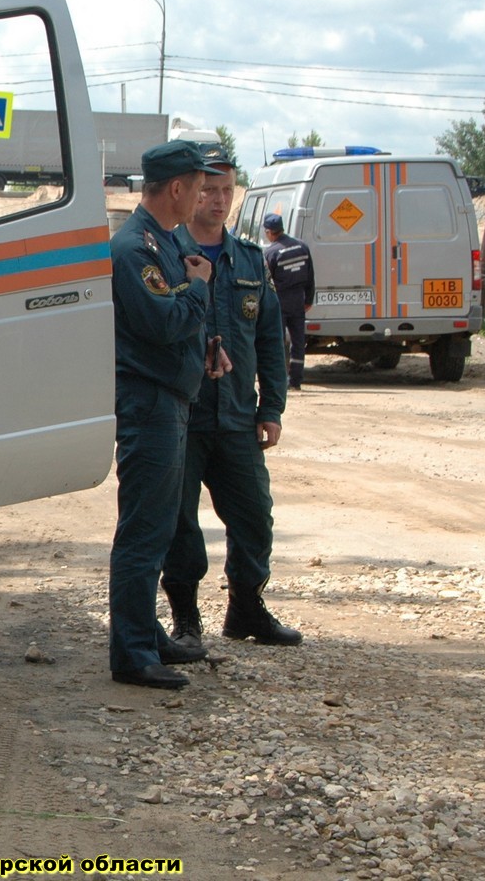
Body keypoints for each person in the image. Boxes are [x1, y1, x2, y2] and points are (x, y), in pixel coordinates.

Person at [162, 152, 303, 649]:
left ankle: (246, 607)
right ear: (189, 190)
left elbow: (271, 339)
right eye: (209, 190)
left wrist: (272, 409)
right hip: (182, 415)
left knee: (254, 517)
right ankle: (185, 618)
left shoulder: (248, 259)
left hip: (238, 417)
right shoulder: (166, 251)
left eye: (227, 191)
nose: (219, 201)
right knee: (179, 522)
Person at [108, 140, 228, 690]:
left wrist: (208, 345)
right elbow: (162, 322)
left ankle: (147, 634)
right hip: (149, 402)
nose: (205, 195)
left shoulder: (163, 241)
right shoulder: (135, 248)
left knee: (157, 530)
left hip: (171, 398)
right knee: (142, 529)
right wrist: (200, 288)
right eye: (200, 186)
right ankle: (131, 652)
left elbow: (179, 321)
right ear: (176, 188)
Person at [262, 213, 315, 390]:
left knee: (278, 341)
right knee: (298, 341)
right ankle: (295, 382)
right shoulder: (302, 247)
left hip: (280, 302)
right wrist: (309, 299)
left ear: (269, 232)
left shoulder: (271, 252)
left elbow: (267, 282)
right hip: (298, 301)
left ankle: (278, 380)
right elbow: (310, 276)